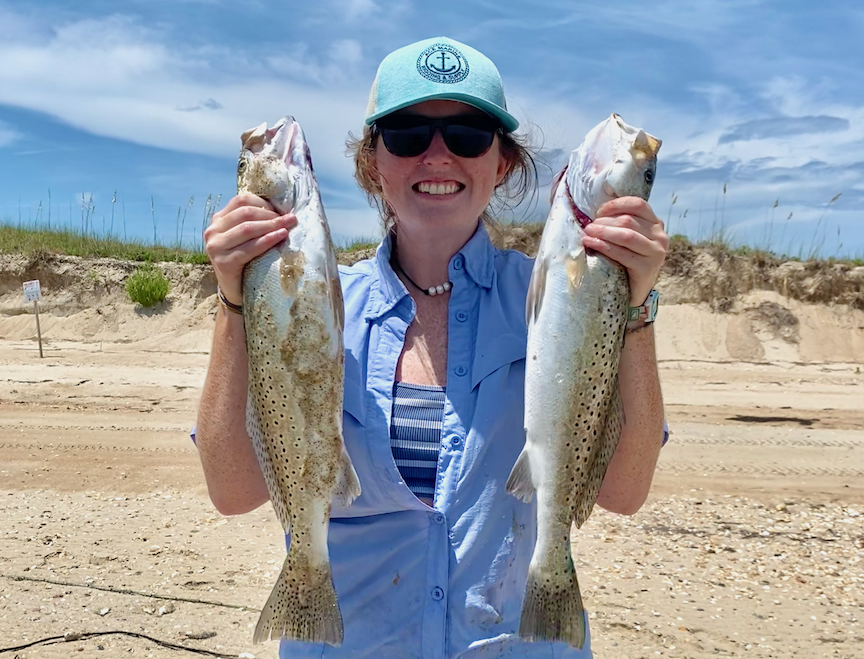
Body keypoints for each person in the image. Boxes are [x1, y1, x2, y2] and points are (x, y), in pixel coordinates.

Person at [195, 36, 668, 658]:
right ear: (373, 162)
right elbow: (233, 493)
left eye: (469, 134)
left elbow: (624, 491)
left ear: (502, 162)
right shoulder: (313, 306)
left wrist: (632, 304)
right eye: (407, 134)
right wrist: (236, 301)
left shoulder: (554, 298)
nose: (437, 155)